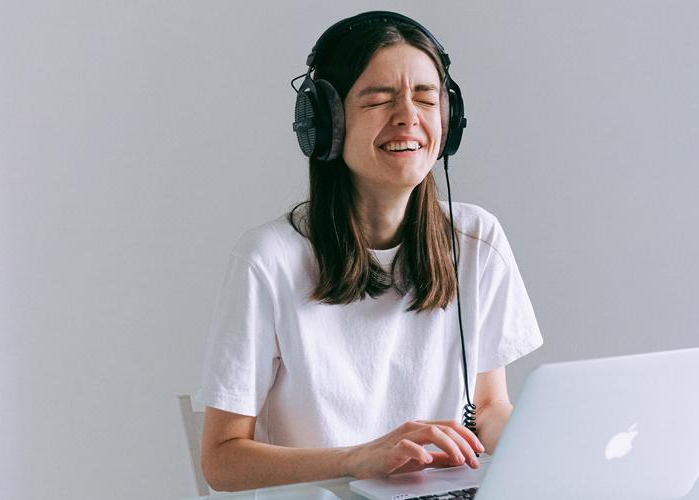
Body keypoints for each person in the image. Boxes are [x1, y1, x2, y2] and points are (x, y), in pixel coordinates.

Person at [195, 11, 543, 492]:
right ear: (325, 123)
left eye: (425, 97)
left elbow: (487, 407)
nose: (409, 117)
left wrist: (540, 449)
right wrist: (358, 458)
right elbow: (221, 462)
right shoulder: (268, 259)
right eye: (379, 100)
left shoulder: (476, 238)